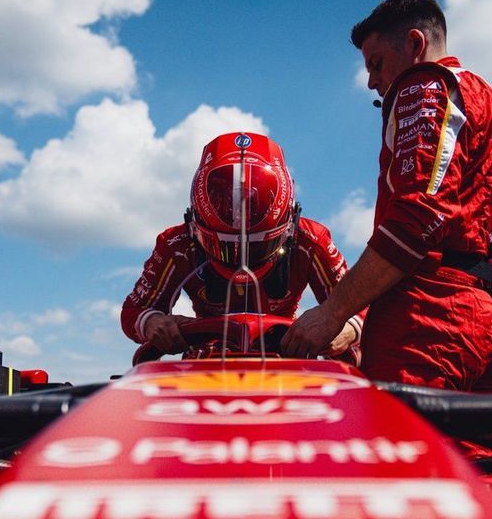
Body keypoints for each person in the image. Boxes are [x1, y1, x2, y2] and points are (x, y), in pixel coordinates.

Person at [281, 0, 492, 392]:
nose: (370, 82)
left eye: (377, 64)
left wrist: (332, 313)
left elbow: (419, 217)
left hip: (426, 323)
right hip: (491, 324)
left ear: (415, 45)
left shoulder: (426, 86)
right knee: (473, 457)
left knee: (399, 453)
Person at [121, 132, 363, 358]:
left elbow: (362, 306)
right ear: (194, 226)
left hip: (286, 363)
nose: (241, 262)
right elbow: (134, 310)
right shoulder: (176, 245)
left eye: (258, 248)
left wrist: (345, 328)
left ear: (289, 227)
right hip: (203, 365)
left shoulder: (311, 240)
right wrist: (153, 322)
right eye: (224, 248)